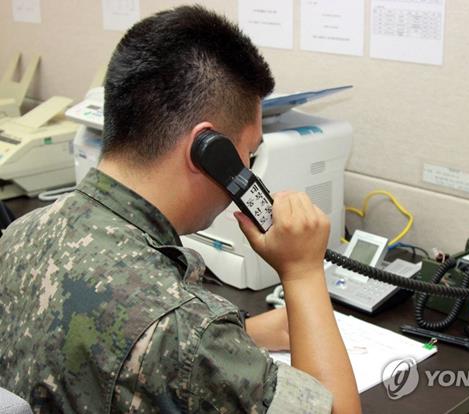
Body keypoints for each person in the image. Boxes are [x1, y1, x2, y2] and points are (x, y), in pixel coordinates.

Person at [0, 5, 361, 414]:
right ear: (209, 152)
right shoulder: (183, 330)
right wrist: (303, 271)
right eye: (248, 152)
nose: (246, 169)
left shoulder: (17, 237)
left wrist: (239, 337)